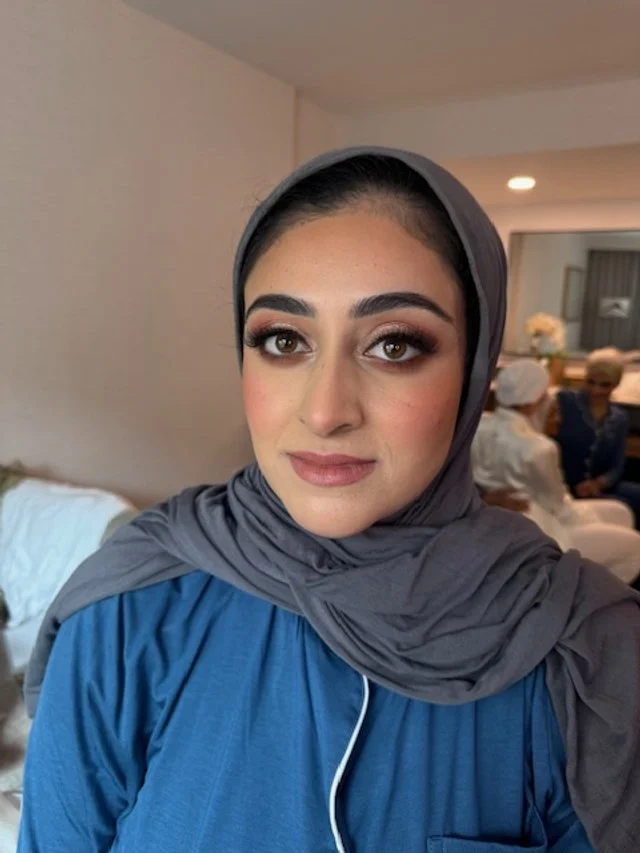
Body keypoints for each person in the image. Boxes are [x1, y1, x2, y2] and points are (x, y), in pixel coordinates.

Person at [18, 150, 640, 853]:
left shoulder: (583, 648)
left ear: (471, 370)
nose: (324, 411)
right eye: (284, 339)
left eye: (395, 345)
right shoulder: (129, 610)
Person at [472, 359, 640, 584]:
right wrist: (590, 522)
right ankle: (582, 600)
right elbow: (558, 506)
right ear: (533, 401)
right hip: (542, 529)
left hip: (512, 519)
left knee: (621, 512)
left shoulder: (477, 427)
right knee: (634, 544)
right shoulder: (539, 447)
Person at [556, 347, 640, 527]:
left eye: (605, 385)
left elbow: (617, 466)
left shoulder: (619, 418)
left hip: (598, 487)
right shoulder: (566, 401)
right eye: (591, 382)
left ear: (616, 384)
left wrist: (598, 484)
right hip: (564, 485)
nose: (595, 390)